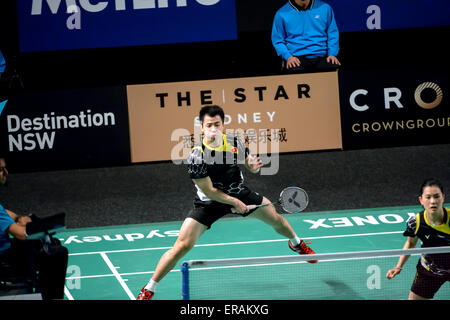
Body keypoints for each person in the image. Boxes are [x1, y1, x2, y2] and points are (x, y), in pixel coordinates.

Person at [136, 105, 317, 300]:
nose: (213, 129)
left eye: (217, 124)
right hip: (210, 202)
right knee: (182, 245)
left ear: (223, 124)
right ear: (201, 127)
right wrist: (234, 203)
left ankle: (296, 243)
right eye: (209, 125)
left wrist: (253, 167)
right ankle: (149, 288)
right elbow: (208, 190)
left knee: (276, 219)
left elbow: (249, 162)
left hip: (237, 192)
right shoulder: (197, 156)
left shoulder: (233, 142)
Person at [386, 178, 450, 300]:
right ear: (421, 200)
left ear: (443, 197)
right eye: (428, 197)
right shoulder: (415, 222)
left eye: (437, 196)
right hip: (429, 270)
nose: (433, 202)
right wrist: (398, 266)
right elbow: (410, 244)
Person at [271, 0, 341, 73]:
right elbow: (278, 41)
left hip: (322, 56)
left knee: (332, 68)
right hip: (296, 58)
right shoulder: (281, 14)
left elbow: (333, 34)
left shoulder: (325, 8)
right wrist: (288, 57)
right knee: (294, 70)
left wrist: (332, 54)